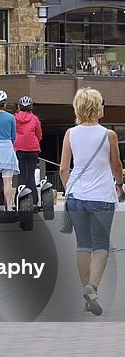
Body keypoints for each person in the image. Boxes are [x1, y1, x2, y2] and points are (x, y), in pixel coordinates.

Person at [59, 88, 124, 317]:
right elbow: (116, 166)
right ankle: (92, 287)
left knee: (83, 244)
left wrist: (71, 189)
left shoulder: (70, 134)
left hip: (76, 196)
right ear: (98, 108)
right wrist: (119, 183)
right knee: (101, 245)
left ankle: (88, 297)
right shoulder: (109, 135)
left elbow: (64, 168)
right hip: (102, 197)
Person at [14, 96, 42, 207]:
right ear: (31, 107)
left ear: (19, 107)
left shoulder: (14, 118)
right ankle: (34, 201)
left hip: (19, 148)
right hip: (32, 149)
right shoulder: (35, 119)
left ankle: (17, 200)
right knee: (30, 175)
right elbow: (39, 134)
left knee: (21, 175)